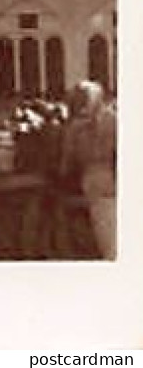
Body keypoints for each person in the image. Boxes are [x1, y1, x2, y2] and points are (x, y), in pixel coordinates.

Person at [63, 80, 117, 259]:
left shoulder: (76, 127)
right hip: (110, 174)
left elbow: (68, 159)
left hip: (93, 177)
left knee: (104, 225)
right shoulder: (114, 120)